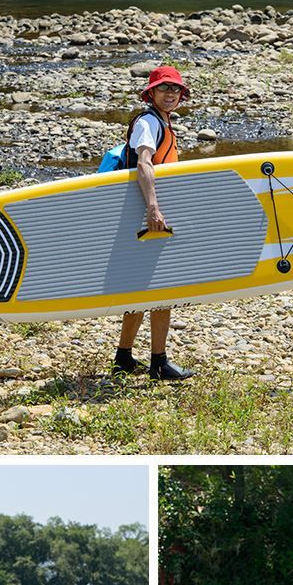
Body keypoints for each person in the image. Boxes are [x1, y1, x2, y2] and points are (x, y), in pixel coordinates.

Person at [113, 65, 194, 381]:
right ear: (152, 93)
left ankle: (123, 358)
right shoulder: (148, 123)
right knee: (163, 289)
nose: (170, 94)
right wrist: (153, 208)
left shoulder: (162, 122)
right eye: (164, 89)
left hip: (144, 212)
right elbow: (144, 164)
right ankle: (159, 362)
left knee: (142, 288)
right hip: (147, 213)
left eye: (175, 90)